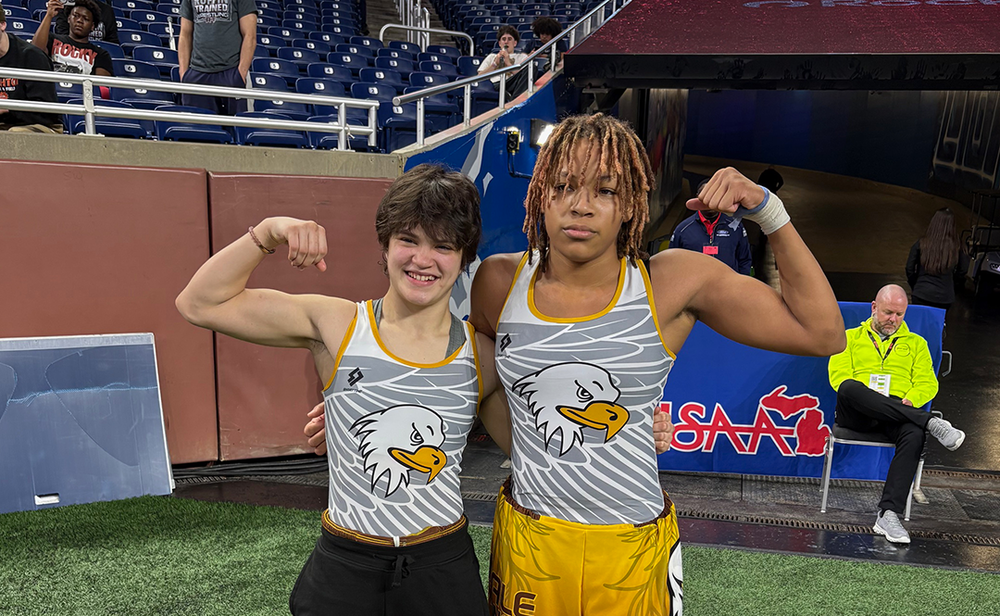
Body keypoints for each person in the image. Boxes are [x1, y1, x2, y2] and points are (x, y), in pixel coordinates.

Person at [463, 113, 843, 616]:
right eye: (563, 186)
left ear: (629, 205)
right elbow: (481, 375)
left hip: (633, 543)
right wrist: (533, 449)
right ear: (540, 195)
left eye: (604, 190)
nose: (580, 205)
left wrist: (767, 210)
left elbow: (822, 333)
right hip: (528, 537)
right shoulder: (499, 281)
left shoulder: (671, 281)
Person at [176, 165, 507, 616]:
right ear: (385, 245)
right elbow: (198, 303)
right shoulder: (338, 324)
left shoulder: (481, 353)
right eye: (408, 240)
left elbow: (534, 447)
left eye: (443, 246)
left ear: (464, 257)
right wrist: (269, 231)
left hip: (442, 567)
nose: (422, 259)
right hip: (346, 565)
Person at [828, 284, 965, 545]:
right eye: (888, 312)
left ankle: (888, 514)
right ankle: (930, 422)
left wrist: (911, 399)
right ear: (874, 307)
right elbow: (839, 378)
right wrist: (883, 402)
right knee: (848, 387)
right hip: (856, 411)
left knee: (914, 434)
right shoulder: (849, 338)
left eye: (899, 314)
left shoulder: (917, 344)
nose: (893, 319)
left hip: (897, 411)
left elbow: (927, 383)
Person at [178, 0, 256, 115]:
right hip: (197, 74)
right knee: (197, 126)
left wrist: (240, 74)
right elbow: (185, 34)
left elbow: (250, 35)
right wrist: (184, 73)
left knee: (237, 124)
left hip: (231, 71)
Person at [0, 7, 62, 133]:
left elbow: (46, 113)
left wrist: (8, 109)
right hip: (4, 124)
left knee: (14, 134)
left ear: (2, 25)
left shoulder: (32, 56)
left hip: (40, 125)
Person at [669, 181, 752, 275]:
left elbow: (744, 261)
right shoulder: (683, 229)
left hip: (727, 283)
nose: (711, 200)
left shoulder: (736, 227)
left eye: (715, 195)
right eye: (706, 195)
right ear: (698, 197)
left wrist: (740, 282)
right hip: (695, 284)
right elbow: (672, 263)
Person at [906, 207, 970, 311]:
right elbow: (963, 269)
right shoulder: (958, 246)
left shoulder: (921, 243)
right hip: (945, 297)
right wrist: (951, 285)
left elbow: (909, 268)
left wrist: (916, 284)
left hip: (921, 293)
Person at [32, 0, 113, 76]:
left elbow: (101, 84)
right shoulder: (52, 39)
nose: (79, 20)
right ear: (68, 18)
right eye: (75, 16)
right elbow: (35, 51)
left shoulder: (101, 54)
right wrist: (49, 15)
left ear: (92, 26)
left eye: (85, 19)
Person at [478, 25, 526, 93]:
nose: (506, 42)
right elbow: (479, 77)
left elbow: (523, 77)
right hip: (495, 84)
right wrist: (494, 64)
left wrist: (508, 63)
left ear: (515, 43)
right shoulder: (491, 56)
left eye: (509, 39)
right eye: (503, 39)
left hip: (513, 84)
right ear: (500, 43)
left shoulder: (522, 57)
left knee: (532, 68)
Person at [54, 0, 118, 44]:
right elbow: (62, 35)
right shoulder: (67, 7)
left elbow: (112, 41)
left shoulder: (107, 10)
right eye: (76, 16)